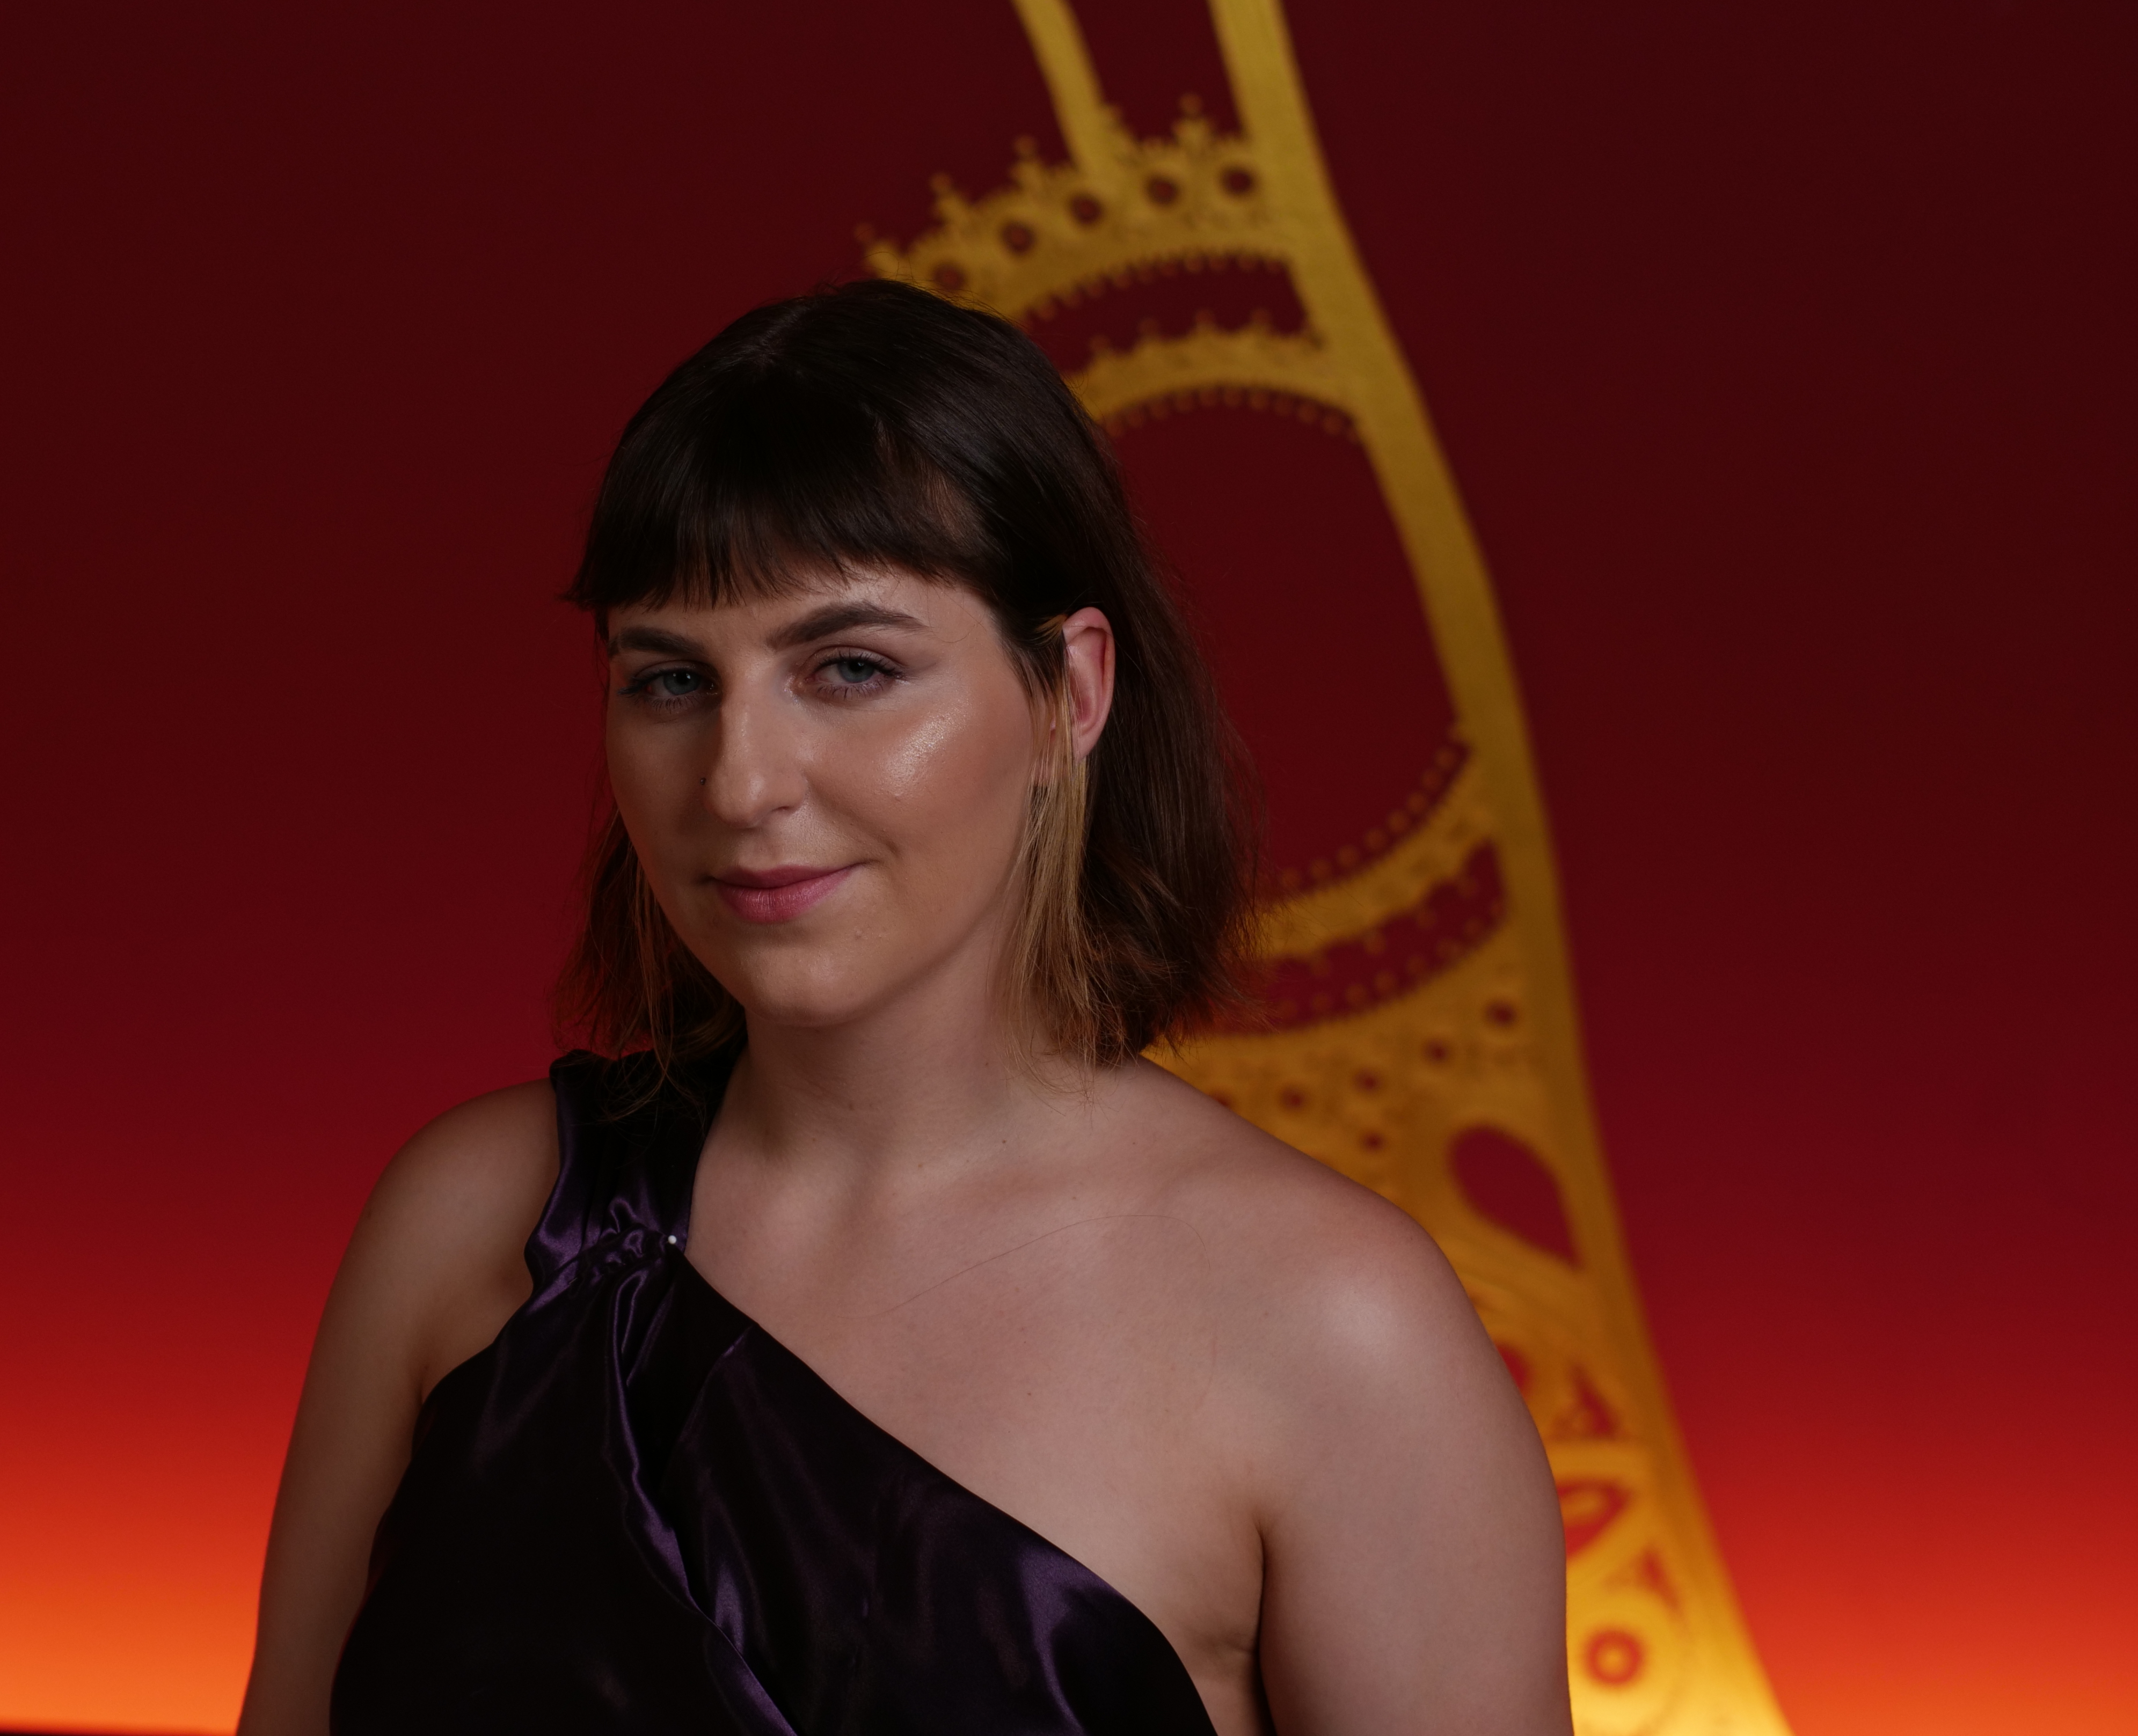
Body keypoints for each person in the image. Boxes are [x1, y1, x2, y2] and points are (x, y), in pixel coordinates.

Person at [237, 280, 1567, 1735]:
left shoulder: (1336, 1329)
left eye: (852, 669)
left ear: (1069, 695)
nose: (741, 783)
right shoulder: (467, 1218)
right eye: (670, 681)